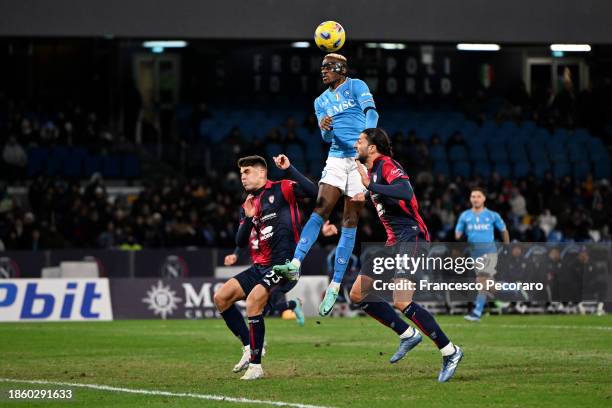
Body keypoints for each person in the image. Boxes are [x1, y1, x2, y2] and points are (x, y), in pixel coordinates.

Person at [350, 128, 464, 382]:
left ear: (372, 147)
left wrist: (371, 186)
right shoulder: (372, 171)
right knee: (358, 293)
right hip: (392, 243)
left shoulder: (387, 164)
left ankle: (450, 351)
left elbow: (405, 192)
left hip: (410, 237)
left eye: (360, 141)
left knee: (401, 300)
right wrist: (367, 193)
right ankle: (407, 334)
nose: (356, 144)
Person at [213, 154, 337, 380]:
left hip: (284, 266)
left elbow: (314, 192)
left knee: (253, 302)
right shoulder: (248, 203)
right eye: (241, 173)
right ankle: (248, 347)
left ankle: (256, 366)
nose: (242, 177)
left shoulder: (283, 188)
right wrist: (249, 217)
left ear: (262, 172)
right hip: (259, 266)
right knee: (221, 298)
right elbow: (240, 241)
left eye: (247, 172)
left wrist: (290, 168)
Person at [274, 53, 379, 316]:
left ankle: (335, 285)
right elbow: (325, 137)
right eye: (321, 68)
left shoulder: (356, 86)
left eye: (328, 68)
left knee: (349, 220)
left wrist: (365, 143)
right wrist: (325, 128)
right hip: (335, 157)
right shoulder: (320, 101)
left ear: (341, 70)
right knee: (320, 208)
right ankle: (296, 263)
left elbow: (372, 113)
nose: (323, 72)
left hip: (358, 161)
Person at [455, 187, 510, 321]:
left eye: (478, 196)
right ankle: (513, 288)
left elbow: (504, 231)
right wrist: (460, 236)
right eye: (473, 196)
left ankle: (477, 312)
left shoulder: (492, 215)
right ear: (470, 199)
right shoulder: (465, 216)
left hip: (489, 252)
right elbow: (457, 234)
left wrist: (507, 246)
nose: (475, 199)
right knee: (487, 284)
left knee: (482, 281)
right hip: (475, 255)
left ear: (484, 198)